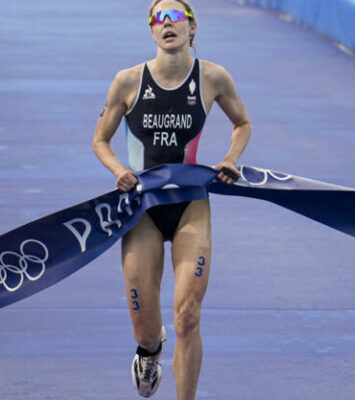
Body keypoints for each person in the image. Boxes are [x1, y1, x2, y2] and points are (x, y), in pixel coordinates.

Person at [91, 1, 251, 398]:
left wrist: (231, 158)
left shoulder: (214, 78)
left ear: (192, 27)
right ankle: (149, 351)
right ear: (151, 32)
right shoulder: (127, 81)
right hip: (142, 209)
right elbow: (100, 140)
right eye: (158, 19)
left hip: (190, 205)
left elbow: (242, 124)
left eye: (174, 17)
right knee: (146, 329)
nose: (167, 24)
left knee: (187, 317)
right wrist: (117, 171)